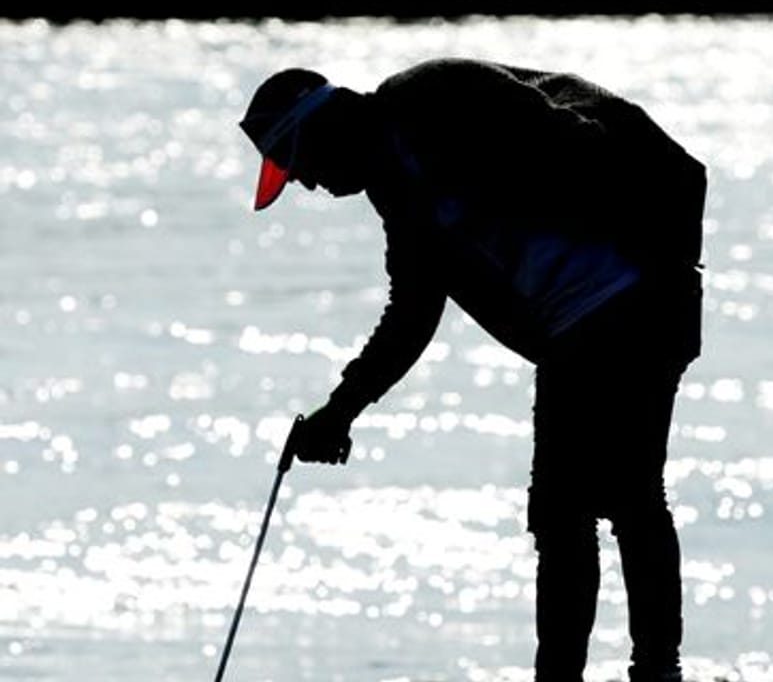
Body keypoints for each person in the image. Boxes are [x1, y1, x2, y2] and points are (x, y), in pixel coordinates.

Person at [238, 59, 706, 682]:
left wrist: (648, 265)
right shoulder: (397, 193)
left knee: (619, 500)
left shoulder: (434, 95)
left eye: (303, 166)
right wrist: (340, 409)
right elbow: (412, 313)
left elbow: (578, 142)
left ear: (324, 128)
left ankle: (648, 671)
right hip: (574, 329)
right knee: (572, 513)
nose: (311, 186)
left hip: (637, 297)